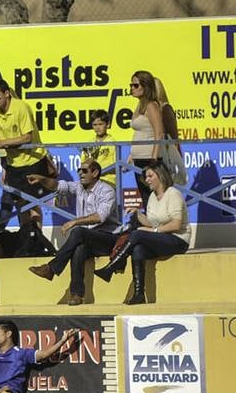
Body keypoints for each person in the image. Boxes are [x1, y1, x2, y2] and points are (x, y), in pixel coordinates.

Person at [26, 158, 119, 305]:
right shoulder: (79, 187)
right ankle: (76, 294)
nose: (80, 174)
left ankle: (51, 268)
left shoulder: (107, 190)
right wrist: (41, 178)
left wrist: (75, 221)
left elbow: (100, 217)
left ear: (95, 173)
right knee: (79, 249)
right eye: (79, 170)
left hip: (109, 238)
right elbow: (57, 186)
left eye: (85, 170)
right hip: (88, 239)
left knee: (78, 231)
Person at [94, 163, 189, 305]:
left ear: (161, 176)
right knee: (138, 249)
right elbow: (152, 223)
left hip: (178, 240)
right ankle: (139, 295)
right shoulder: (152, 196)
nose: (147, 180)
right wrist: (137, 214)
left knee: (138, 235)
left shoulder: (173, 194)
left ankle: (112, 267)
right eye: (146, 177)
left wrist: (153, 231)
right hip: (162, 238)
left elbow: (175, 225)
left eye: (151, 176)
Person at [0, 79, 51, 235]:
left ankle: (37, 239)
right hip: (13, 163)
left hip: (33, 161)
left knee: (33, 204)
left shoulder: (21, 107)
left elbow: (27, 137)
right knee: (20, 204)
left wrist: (2, 142)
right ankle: (26, 237)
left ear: (7, 94)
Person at [81, 110, 117, 186]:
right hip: (91, 181)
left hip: (107, 180)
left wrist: (99, 172)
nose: (98, 127)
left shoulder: (112, 142)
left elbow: (116, 165)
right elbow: (83, 163)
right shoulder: (89, 143)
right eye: (95, 125)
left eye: (100, 124)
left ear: (107, 124)